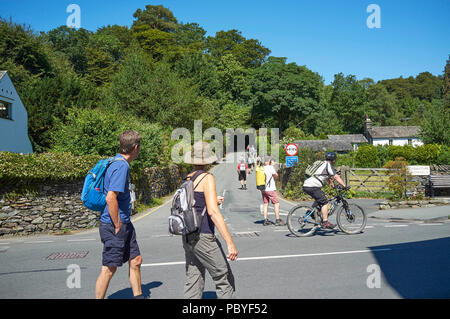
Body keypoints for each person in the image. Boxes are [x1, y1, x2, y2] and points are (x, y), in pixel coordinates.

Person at [183, 141, 238, 299]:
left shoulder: (188, 178)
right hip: (203, 235)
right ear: (207, 160)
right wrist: (230, 243)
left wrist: (213, 199)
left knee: (194, 279)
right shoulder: (207, 177)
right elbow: (213, 213)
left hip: (188, 235)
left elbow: (196, 203)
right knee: (224, 278)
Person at [95, 130, 144, 299]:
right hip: (114, 224)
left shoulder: (116, 162)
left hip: (124, 223)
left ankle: (139, 296)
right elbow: (110, 198)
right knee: (109, 268)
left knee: (136, 260)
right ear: (136, 148)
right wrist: (117, 224)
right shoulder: (121, 165)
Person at [302, 151, 348, 229]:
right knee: (325, 201)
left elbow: (326, 175)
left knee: (320, 199)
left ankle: (311, 214)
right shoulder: (328, 165)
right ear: (333, 160)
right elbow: (336, 176)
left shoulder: (322, 163)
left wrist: (331, 183)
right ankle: (325, 222)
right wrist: (344, 185)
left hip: (307, 185)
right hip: (313, 186)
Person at [261, 156, 285, 226]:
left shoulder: (262, 168)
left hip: (263, 189)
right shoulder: (270, 167)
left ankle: (265, 220)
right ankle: (277, 220)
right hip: (270, 189)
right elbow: (276, 176)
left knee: (265, 204)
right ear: (269, 161)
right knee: (276, 203)